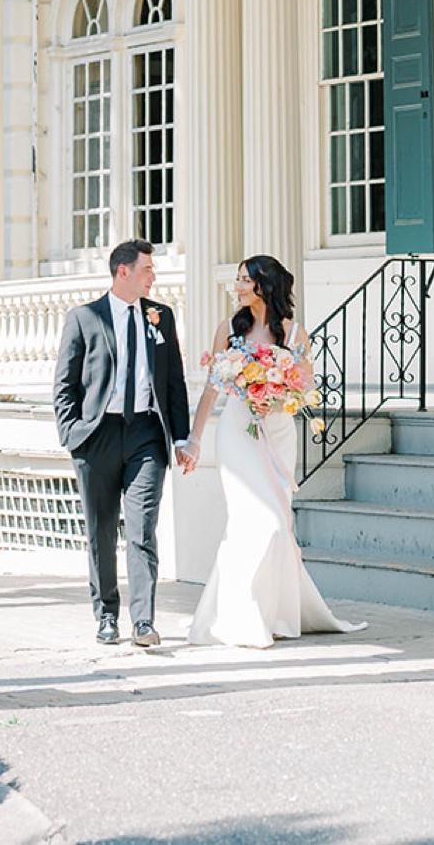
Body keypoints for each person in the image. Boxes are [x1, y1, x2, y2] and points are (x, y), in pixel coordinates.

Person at [183, 253, 365, 649]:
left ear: (265, 284)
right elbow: (212, 388)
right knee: (254, 521)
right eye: (238, 279)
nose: (239, 286)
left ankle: (277, 615)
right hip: (237, 432)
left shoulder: (295, 333)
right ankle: (240, 616)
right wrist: (194, 439)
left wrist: (275, 401)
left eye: (246, 279)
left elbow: (305, 389)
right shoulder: (229, 329)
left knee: (279, 525)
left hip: (278, 431)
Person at [53, 237, 194, 649]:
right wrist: (72, 435)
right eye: (148, 269)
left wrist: (182, 436)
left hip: (146, 435)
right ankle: (106, 617)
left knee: (142, 529)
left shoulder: (161, 317)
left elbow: (174, 383)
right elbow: (64, 385)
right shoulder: (84, 318)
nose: (154, 277)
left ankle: (144, 621)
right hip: (97, 436)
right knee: (100, 532)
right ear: (123, 272)